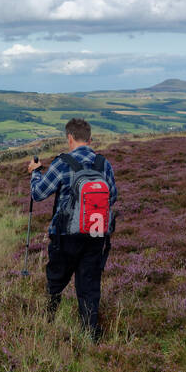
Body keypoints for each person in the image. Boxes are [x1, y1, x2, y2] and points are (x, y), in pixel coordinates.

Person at [26, 118, 117, 341]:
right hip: (96, 234)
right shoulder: (102, 163)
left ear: (69, 138)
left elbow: (38, 194)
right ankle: (90, 335)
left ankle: (47, 324)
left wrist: (35, 172)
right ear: (90, 138)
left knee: (55, 281)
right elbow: (112, 196)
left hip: (65, 234)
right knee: (89, 285)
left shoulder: (62, 162)